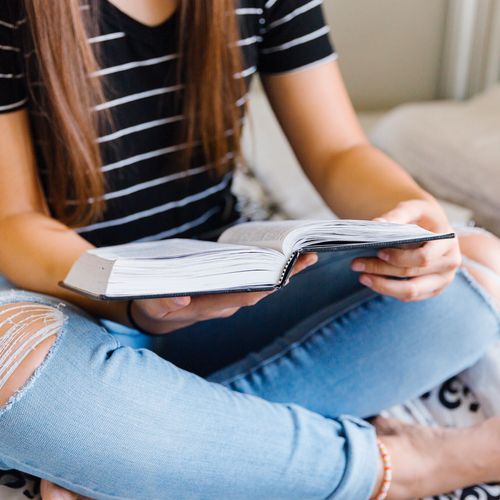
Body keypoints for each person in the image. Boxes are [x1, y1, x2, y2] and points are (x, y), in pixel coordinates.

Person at [0, 1, 498, 499]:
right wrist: (131, 301)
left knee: (475, 266)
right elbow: (15, 220)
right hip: (72, 297)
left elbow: (338, 151)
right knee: (11, 363)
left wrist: (415, 223)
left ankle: (132, 454)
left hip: (229, 291)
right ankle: (407, 468)